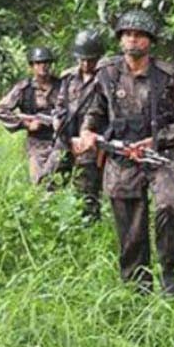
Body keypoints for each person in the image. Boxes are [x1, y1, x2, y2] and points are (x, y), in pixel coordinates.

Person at [73, 9, 174, 296]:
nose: (133, 40)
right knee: (130, 228)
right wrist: (88, 132)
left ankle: (168, 269)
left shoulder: (168, 75)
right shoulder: (107, 73)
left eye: (139, 35)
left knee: (170, 206)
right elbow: (95, 111)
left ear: (149, 41)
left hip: (160, 155)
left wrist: (155, 141)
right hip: (121, 156)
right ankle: (136, 288)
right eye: (127, 34)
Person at [44, 29, 107, 220]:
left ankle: (87, 227)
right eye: (82, 59)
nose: (86, 64)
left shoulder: (106, 78)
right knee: (51, 181)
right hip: (65, 137)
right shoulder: (68, 78)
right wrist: (57, 119)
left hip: (90, 141)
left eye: (91, 60)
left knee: (86, 190)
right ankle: (50, 221)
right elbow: (60, 103)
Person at [0, 46, 62, 184]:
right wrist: (27, 125)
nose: (43, 67)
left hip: (61, 142)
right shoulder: (24, 88)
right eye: (38, 63)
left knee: (61, 183)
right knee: (39, 183)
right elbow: (1, 110)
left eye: (46, 63)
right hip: (37, 143)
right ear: (32, 66)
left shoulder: (62, 86)